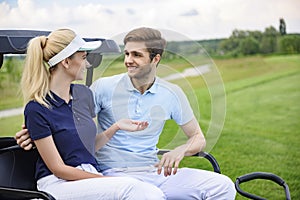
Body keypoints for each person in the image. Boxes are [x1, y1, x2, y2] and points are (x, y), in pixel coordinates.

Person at [16, 27, 236, 199]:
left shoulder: (171, 94)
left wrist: (180, 150)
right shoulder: (100, 89)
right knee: (146, 194)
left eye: (137, 55)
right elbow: (56, 121)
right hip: (108, 174)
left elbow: (198, 138)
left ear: (155, 59)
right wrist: (30, 133)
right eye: (127, 53)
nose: (128, 60)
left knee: (223, 186)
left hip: (152, 171)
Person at [18, 28, 165, 200]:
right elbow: (58, 168)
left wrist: (116, 127)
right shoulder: (37, 108)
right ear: (66, 62)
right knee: (134, 189)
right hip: (59, 183)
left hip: (89, 175)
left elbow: (87, 147)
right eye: (83, 57)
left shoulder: (83, 94)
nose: (87, 64)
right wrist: (105, 180)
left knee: (148, 190)